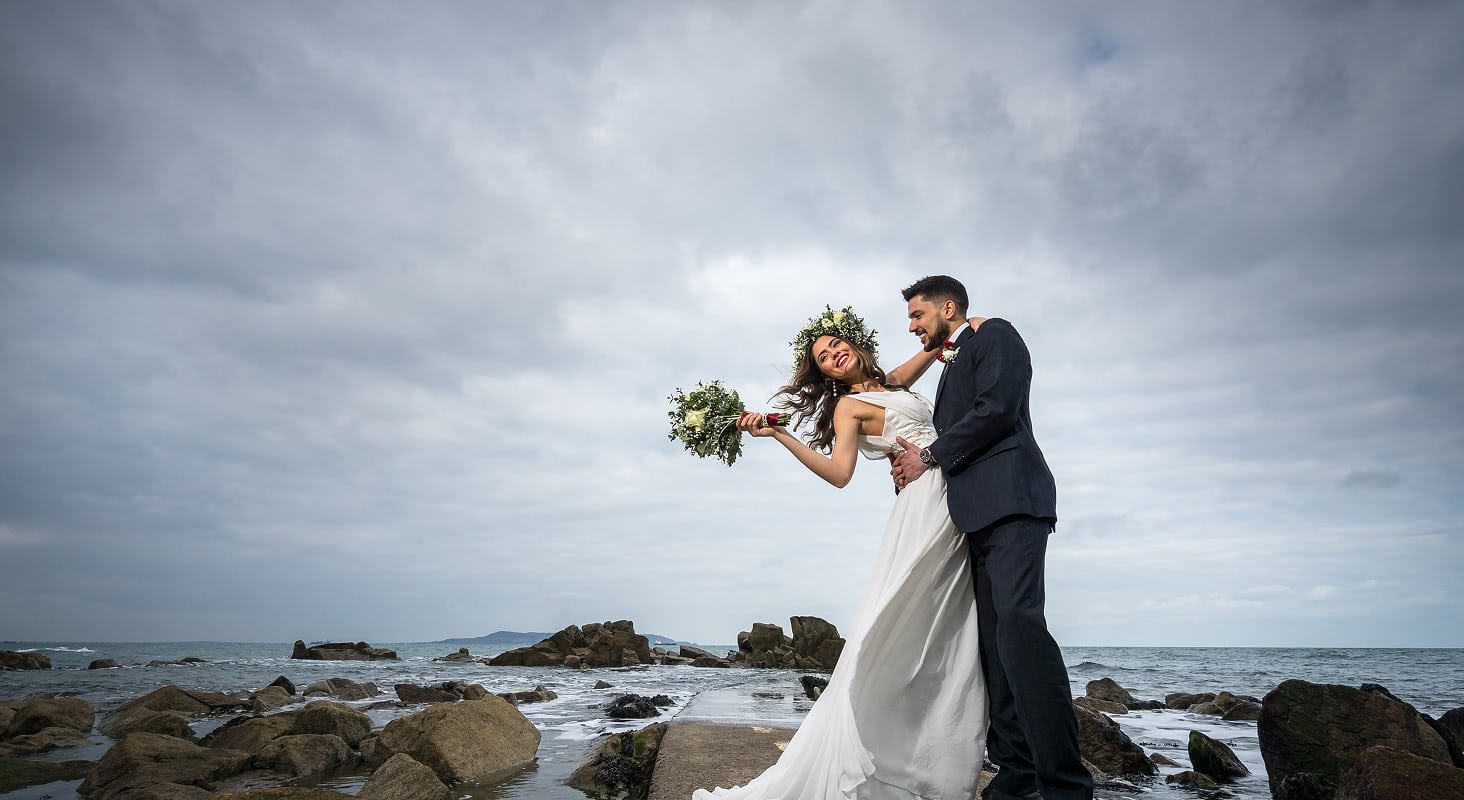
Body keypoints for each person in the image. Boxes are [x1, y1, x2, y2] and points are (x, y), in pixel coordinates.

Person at [692, 306, 988, 799]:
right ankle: (903, 749)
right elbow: (839, 473)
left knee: (950, 621)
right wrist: (781, 434)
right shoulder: (846, 408)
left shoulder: (892, 381)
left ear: (854, 344)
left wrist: (979, 323)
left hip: (948, 484)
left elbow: (939, 346)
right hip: (925, 503)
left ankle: (932, 747)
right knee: (914, 616)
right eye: (824, 358)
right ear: (824, 374)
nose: (834, 356)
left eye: (836, 346)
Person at [890, 276, 1092, 800]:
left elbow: (997, 409)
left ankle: (1067, 785)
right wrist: (912, 461)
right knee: (994, 652)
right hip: (972, 519)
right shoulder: (948, 364)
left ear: (948, 307)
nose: (912, 326)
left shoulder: (996, 335)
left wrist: (929, 456)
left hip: (1013, 503)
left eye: (917, 316)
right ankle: (1017, 773)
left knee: (1021, 630)